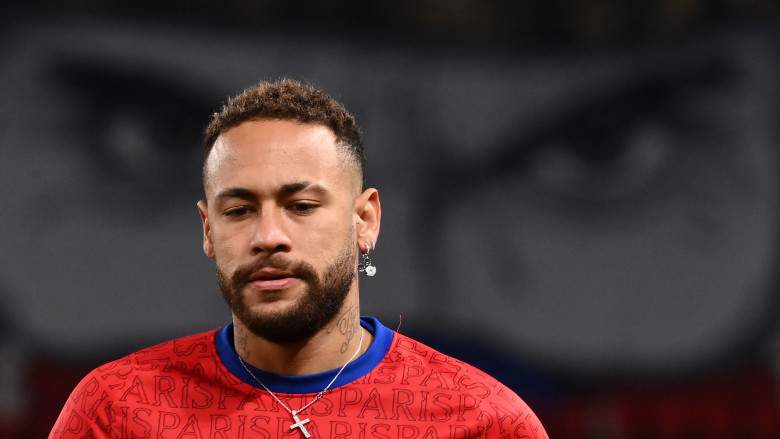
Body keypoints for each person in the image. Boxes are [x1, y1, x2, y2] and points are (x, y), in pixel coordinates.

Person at [49, 79, 548, 439]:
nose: (268, 237)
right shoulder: (116, 411)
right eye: (239, 210)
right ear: (208, 230)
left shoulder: (482, 421)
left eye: (301, 206)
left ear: (365, 220)